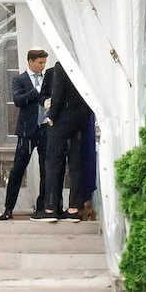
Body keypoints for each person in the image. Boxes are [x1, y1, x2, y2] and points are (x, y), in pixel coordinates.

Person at [39, 57, 93, 220]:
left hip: (62, 119)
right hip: (80, 120)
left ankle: (51, 207)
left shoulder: (62, 66)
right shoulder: (85, 65)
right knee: (76, 163)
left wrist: (52, 115)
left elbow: (58, 93)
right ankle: (74, 207)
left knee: (53, 163)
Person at [4, 49, 48, 216]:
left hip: (44, 127)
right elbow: (18, 100)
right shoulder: (20, 79)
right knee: (18, 168)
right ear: (30, 61)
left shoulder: (47, 78)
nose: (42, 66)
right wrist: (35, 92)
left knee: (46, 168)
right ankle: (9, 207)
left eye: (44, 63)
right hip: (27, 129)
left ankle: (42, 206)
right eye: (39, 63)